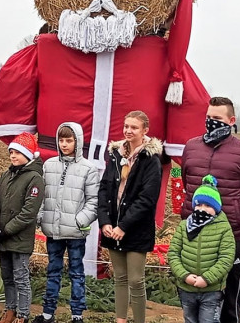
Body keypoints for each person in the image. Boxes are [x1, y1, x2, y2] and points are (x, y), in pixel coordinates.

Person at [180, 96, 240, 323]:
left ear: (231, 120)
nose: (211, 122)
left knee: (230, 299)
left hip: (231, 236)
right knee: (193, 298)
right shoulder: (191, 147)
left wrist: (234, 214)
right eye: (208, 117)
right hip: (194, 235)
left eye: (217, 118)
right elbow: (187, 182)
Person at [98, 111, 163, 323]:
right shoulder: (115, 155)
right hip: (112, 228)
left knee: (135, 280)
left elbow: (147, 198)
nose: (128, 131)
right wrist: (105, 221)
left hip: (136, 229)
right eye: (126, 126)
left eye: (134, 127)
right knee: (120, 278)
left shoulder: (151, 160)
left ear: (145, 131)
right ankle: (120, 319)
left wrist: (124, 226)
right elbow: (105, 189)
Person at [35, 122, 99, 323]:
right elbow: (43, 195)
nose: (64, 144)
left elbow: (93, 201)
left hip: (75, 232)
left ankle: (77, 314)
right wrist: (41, 216)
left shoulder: (88, 169)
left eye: (69, 140)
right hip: (52, 230)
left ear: (77, 141)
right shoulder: (49, 165)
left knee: (76, 273)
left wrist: (80, 221)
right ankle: (48, 313)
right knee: (52, 272)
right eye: (61, 140)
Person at [0, 132, 45, 323]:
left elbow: (28, 212)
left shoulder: (34, 178)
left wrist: (6, 230)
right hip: (3, 237)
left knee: (20, 278)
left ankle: (23, 314)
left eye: (17, 152)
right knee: (6, 277)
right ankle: (10, 310)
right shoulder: (6, 175)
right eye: (11, 152)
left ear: (28, 155)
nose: (13, 156)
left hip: (19, 238)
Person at [168, 175, 235, 323]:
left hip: (212, 290)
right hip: (186, 289)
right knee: (189, 319)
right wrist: (184, 275)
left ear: (216, 208)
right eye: (199, 205)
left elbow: (226, 258)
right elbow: (173, 253)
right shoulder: (184, 226)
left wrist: (207, 278)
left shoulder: (223, 228)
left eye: (208, 206)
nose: (202, 209)